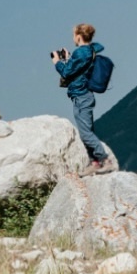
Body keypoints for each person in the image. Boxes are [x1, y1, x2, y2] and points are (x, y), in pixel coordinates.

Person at [52, 23, 117, 175]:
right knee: (86, 131)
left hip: (82, 95)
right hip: (82, 94)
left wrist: (57, 62)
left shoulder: (82, 53)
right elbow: (76, 70)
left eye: (74, 35)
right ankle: (94, 162)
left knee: (85, 132)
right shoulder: (86, 52)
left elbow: (67, 73)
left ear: (79, 36)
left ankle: (105, 160)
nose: (73, 38)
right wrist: (69, 58)